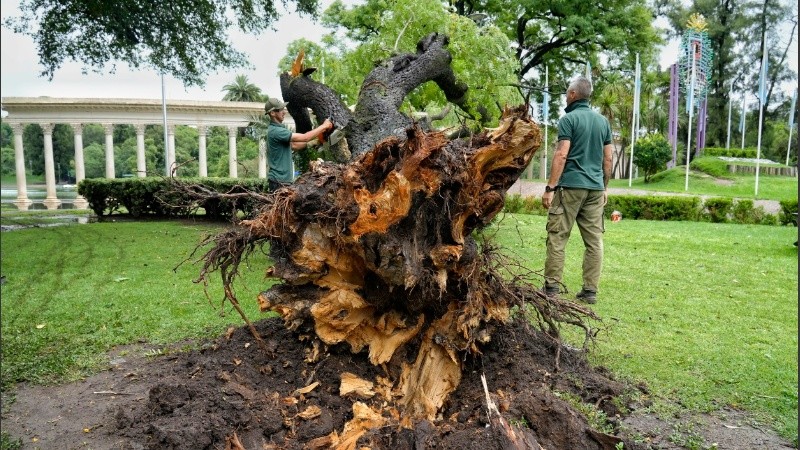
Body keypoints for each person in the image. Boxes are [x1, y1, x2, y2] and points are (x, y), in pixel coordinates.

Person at [541, 76, 613, 304]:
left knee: (558, 237)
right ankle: (590, 291)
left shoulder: (568, 120)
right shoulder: (603, 122)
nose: (565, 95)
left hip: (570, 188)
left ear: (573, 95)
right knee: (594, 241)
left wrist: (550, 188)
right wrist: (604, 187)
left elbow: (562, 154)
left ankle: (551, 288)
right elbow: (608, 158)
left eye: (566, 92)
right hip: (594, 189)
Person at [265, 97, 333, 191]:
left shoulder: (277, 130)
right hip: (279, 182)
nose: (284, 112)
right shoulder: (276, 131)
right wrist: (324, 126)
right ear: (272, 113)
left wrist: (314, 143)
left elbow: (293, 145)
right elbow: (305, 137)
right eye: (280, 110)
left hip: (281, 181)